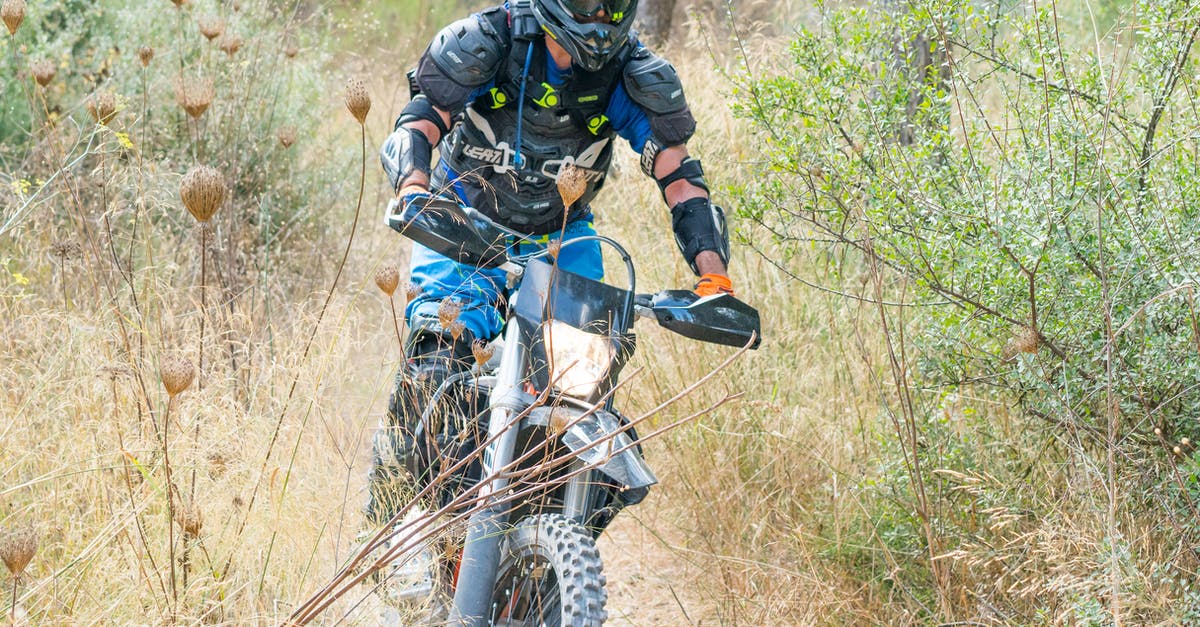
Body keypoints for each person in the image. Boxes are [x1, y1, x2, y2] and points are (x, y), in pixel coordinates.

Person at [366, 0, 734, 526]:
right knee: (432, 370)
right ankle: (380, 533)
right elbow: (420, 124)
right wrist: (416, 189)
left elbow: (679, 177)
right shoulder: (489, 41)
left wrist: (712, 274)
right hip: (462, 216)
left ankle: (540, 562)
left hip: (562, 235)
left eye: (613, 4)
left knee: (581, 399)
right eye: (588, 2)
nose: (601, 14)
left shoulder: (632, 75)